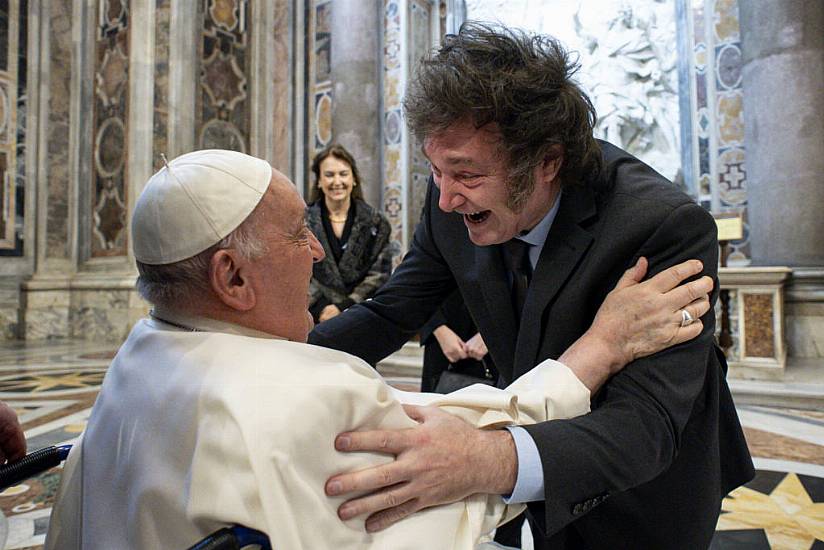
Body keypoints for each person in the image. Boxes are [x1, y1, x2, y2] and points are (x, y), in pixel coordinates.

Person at [44, 149, 712, 550]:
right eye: (295, 234)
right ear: (232, 277)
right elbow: (462, 462)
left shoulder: (137, 354)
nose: (314, 251)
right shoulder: (309, 393)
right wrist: (599, 347)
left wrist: (308, 355)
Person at [309, 23, 754, 549]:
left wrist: (486, 458)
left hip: (645, 488)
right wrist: (273, 356)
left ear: (547, 162)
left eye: (466, 176)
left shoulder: (659, 226)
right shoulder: (449, 201)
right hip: (535, 473)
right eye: (435, 171)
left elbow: (645, 424)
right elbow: (390, 314)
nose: (446, 198)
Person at [307, 144, 395, 323]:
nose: (337, 181)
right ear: (319, 181)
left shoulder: (377, 223)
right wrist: (321, 308)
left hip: (361, 317)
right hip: (313, 316)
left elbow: (379, 275)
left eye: (343, 174)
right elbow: (295, 269)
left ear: (354, 178)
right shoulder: (301, 222)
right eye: (329, 175)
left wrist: (344, 306)